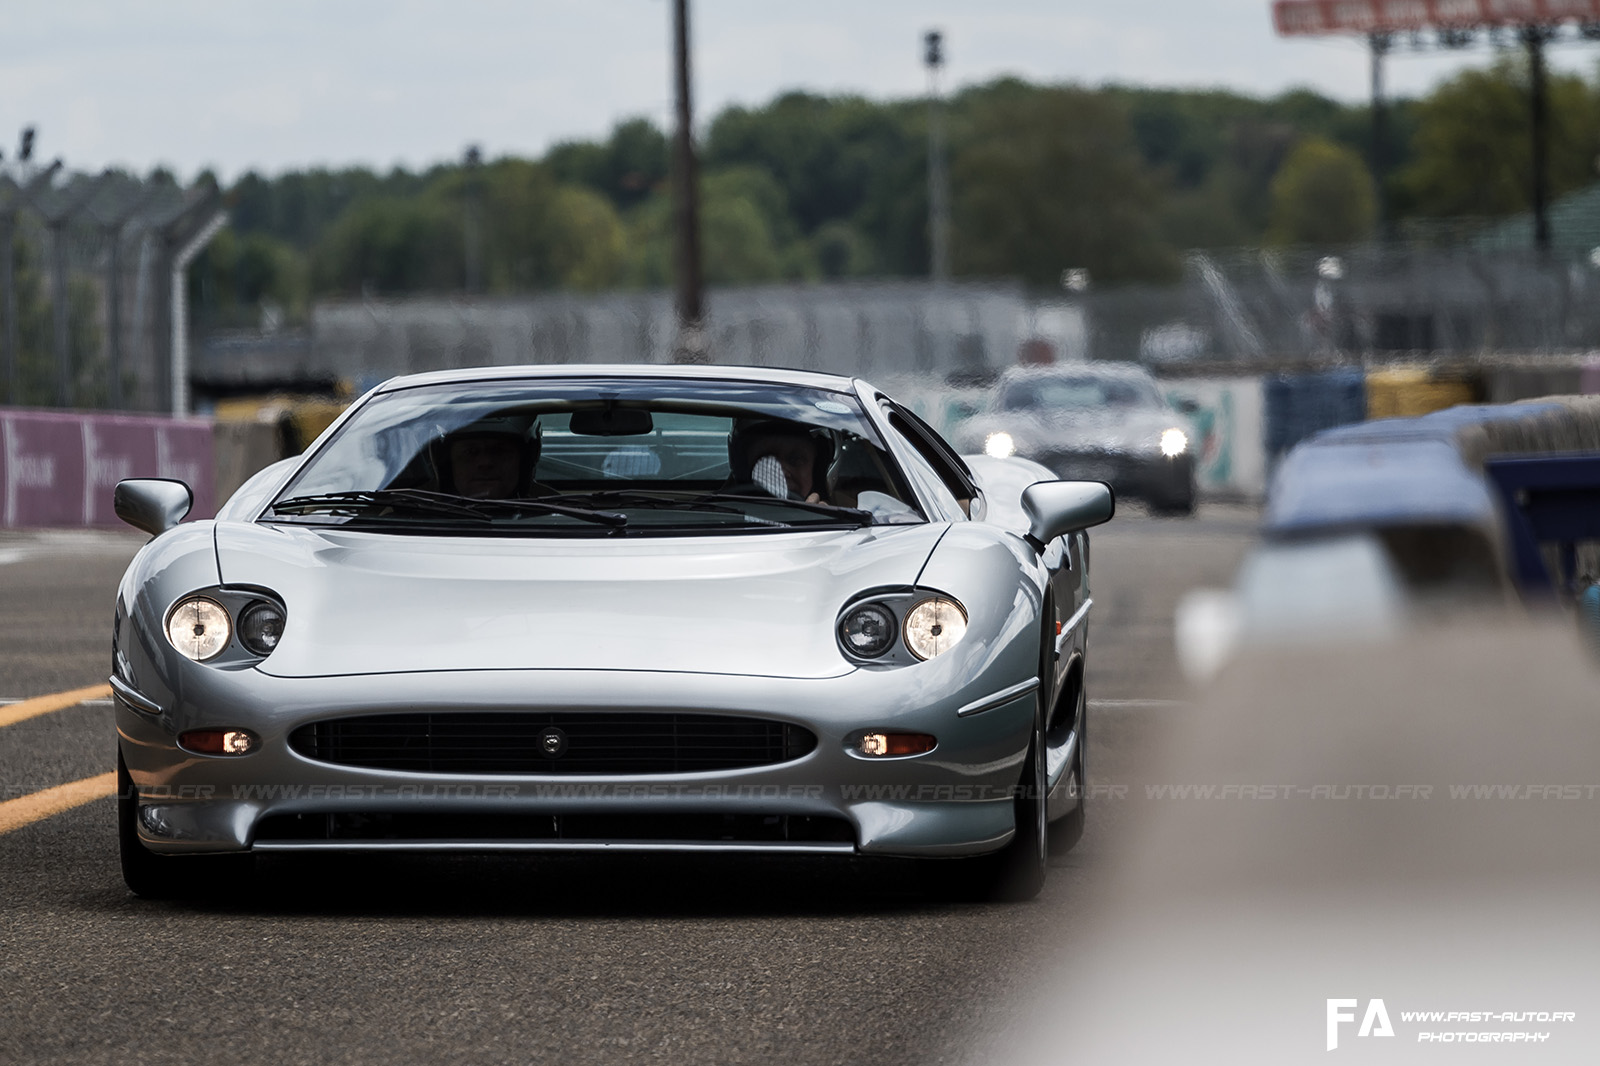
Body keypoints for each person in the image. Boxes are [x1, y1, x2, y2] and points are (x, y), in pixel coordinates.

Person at [435, 413, 547, 499]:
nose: (485, 462)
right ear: (448, 463)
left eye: (499, 451)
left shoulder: (558, 510)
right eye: (471, 451)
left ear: (525, 460)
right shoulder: (419, 513)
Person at [726, 418, 834, 503]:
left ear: (817, 469)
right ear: (743, 465)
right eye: (767, 459)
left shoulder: (842, 521)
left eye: (796, 460)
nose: (780, 472)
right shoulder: (716, 516)